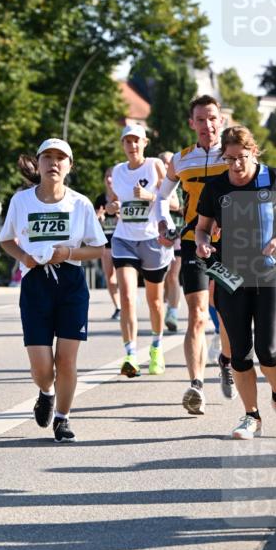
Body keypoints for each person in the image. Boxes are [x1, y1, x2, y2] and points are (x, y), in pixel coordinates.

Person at [196, 126, 276, 439]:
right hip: (231, 275)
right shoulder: (216, 187)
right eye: (229, 159)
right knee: (240, 353)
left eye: (241, 158)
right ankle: (251, 416)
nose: (236, 165)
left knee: (268, 349)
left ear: (253, 152)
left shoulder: (274, 178)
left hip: (271, 272)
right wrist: (203, 244)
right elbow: (202, 228)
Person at [0, 138, 106, 442]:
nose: (54, 163)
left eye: (61, 158)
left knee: (67, 361)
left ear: (69, 166)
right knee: (43, 366)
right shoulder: (21, 201)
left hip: (70, 284)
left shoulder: (80, 203)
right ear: (39, 162)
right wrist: (24, 257)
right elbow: (6, 239)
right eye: (48, 157)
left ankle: (62, 418)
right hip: (35, 283)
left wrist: (67, 253)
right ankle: (46, 392)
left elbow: (98, 248)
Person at [156, 95, 236, 414]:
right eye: (201, 120)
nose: (207, 125)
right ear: (192, 124)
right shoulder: (181, 159)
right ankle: (196, 385)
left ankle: (226, 360)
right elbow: (162, 197)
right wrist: (164, 222)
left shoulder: (232, 156)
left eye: (213, 118)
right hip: (192, 242)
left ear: (222, 121)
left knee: (228, 312)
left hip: (230, 244)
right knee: (198, 314)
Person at [107, 123, 172, 377]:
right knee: (126, 298)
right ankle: (131, 355)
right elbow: (114, 204)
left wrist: (149, 196)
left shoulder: (155, 165)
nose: (132, 146)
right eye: (127, 141)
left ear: (145, 143)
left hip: (152, 240)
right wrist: (113, 208)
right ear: (122, 145)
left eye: (137, 141)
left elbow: (174, 201)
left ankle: (156, 348)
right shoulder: (117, 171)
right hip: (124, 239)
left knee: (155, 302)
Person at [158, 151, 185, 333]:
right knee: (162, 277)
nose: (167, 165)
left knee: (173, 275)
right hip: (157, 233)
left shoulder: (178, 183)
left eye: (169, 162)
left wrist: (154, 197)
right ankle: (162, 308)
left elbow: (177, 205)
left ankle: (172, 313)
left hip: (177, 232)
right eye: (163, 162)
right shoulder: (151, 182)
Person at [94, 167, 121, 320]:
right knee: (110, 277)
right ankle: (118, 307)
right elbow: (93, 225)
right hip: (106, 243)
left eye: (112, 176)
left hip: (123, 242)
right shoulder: (100, 200)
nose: (109, 179)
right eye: (106, 176)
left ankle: (126, 301)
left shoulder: (123, 198)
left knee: (122, 277)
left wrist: (121, 218)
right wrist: (98, 219)